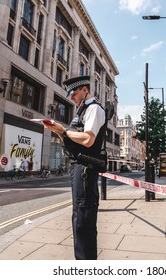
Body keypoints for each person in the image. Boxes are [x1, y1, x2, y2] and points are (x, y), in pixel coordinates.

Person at [41, 75, 106, 260]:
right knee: (78, 219)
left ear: (85, 90)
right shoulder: (82, 111)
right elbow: (71, 139)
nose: (72, 98)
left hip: (85, 169)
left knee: (83, 221)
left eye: (74, 93)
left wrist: (63, 131)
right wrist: (58, 131)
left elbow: (88, 139)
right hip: (79, 168)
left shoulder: (93, 109)